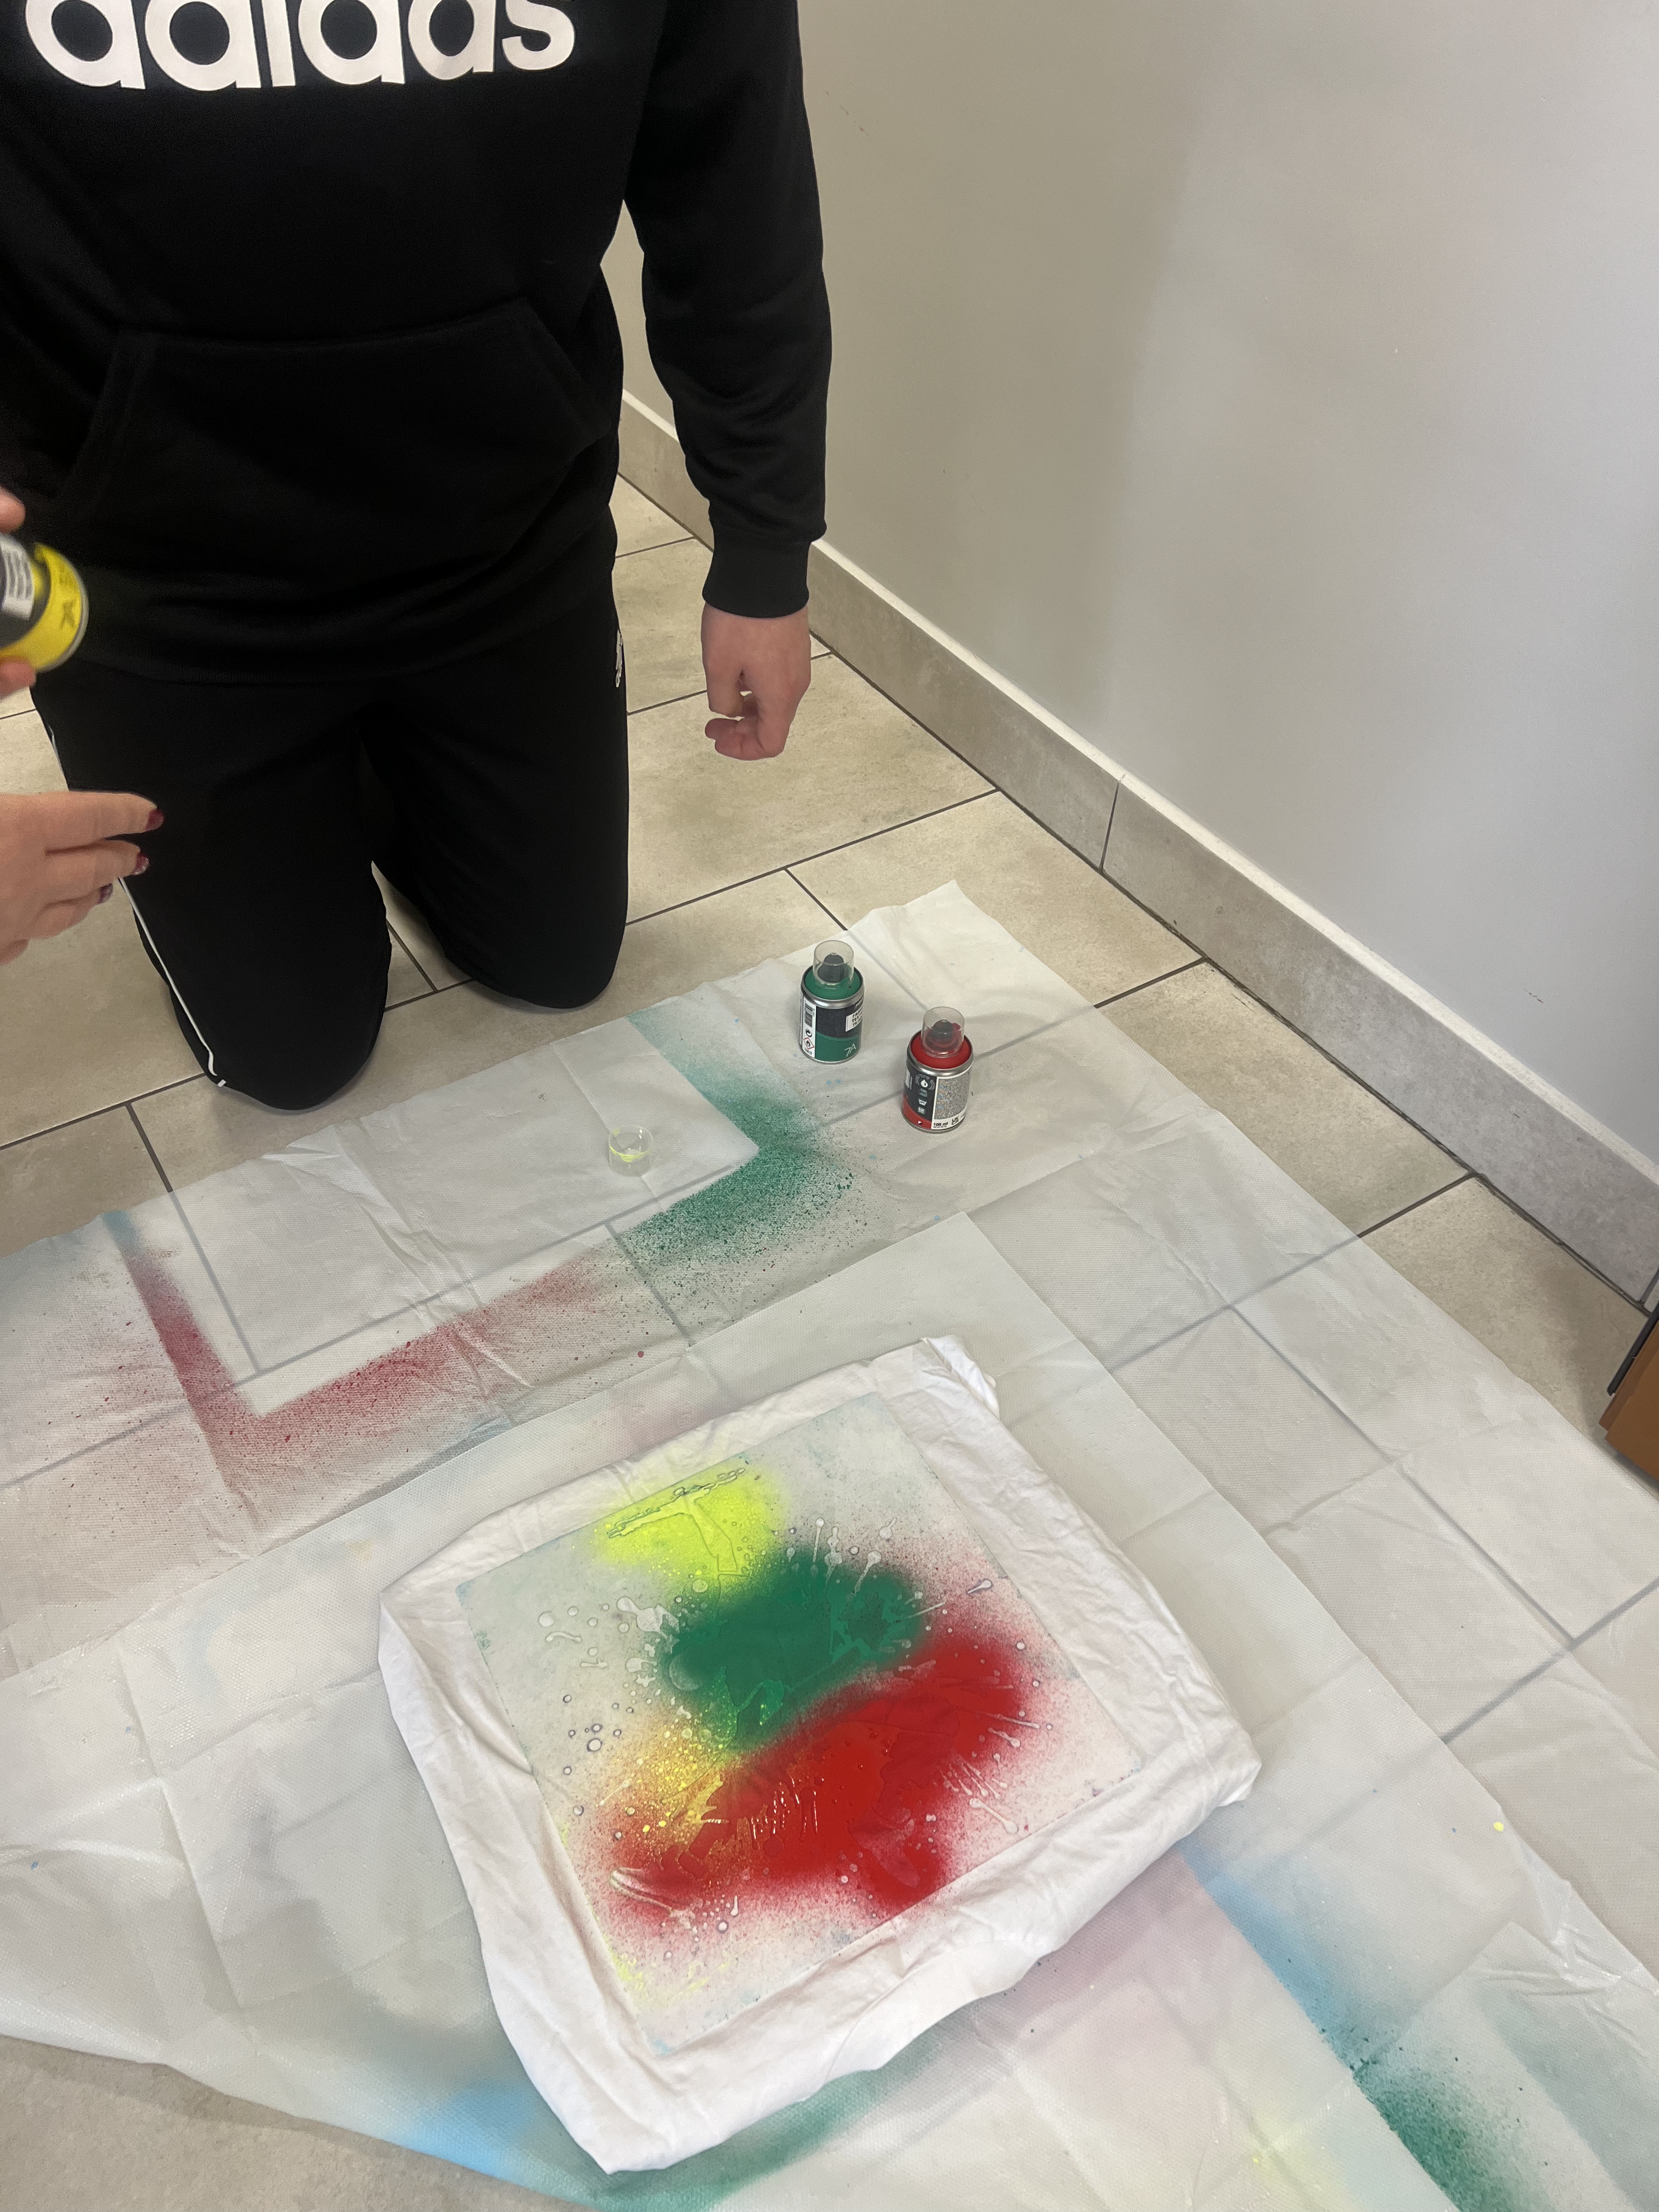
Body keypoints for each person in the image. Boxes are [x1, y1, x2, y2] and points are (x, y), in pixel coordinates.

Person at [0, 0, 831, 1105]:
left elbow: (737, 205)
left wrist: (765, 551)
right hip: (160, 597)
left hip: (504, 549)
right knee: (291, 1062)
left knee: (558, 964)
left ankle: (366, 771)